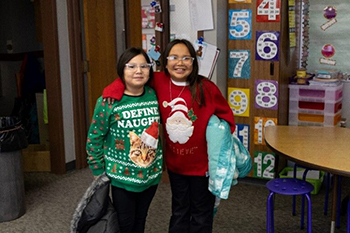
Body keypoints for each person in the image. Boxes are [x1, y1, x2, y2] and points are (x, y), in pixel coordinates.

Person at [103, 39, 236, 233]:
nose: (180, 63)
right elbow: (131, 76)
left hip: (203, 167)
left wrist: (219, 147)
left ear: (194, 62)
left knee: (201, 213)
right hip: (176, 166)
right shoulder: (157, 81)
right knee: (179, 210)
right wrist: (112, 90)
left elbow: (227, 121)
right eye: (173, 57)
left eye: (186, 58)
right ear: (165, 62)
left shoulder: (206, 87)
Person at [86, 47, 163, 233]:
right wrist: (97, 170)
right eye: (132, 66)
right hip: (122, 176)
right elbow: (94, 137)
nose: (139, 71)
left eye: (144, 66)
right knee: (124, 223)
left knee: (141, 219)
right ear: (122, 70)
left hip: (150, 174)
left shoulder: (153, 95)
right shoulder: (108, 102)